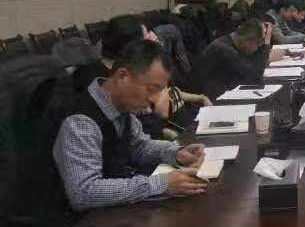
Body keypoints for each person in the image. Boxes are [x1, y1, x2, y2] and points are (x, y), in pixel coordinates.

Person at [52, 40, 208, 211]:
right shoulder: (81, 122)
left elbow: (139, 146)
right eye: (151, 89)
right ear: (122, 76)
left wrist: (175, 153)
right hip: (84, 221)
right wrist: (160, 184)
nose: (154, 99)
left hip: (115, 209)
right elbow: (83, 192)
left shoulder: (121, 106)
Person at [72, 15, 211, 140]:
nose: (154, 39)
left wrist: (198, 97)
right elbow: (162, 111)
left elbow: (169, 94)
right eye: (147, 38)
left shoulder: (136, 72)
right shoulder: (99, 81)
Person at [193, 18, 283, 100]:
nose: (258, 48)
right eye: (259, 44)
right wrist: (266, 44)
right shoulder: (223, 49)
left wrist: (265, 52)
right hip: (203, 101)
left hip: (219, 93)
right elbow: (255, 78)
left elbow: (251, 68)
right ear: (248, 40)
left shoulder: (233, 42)